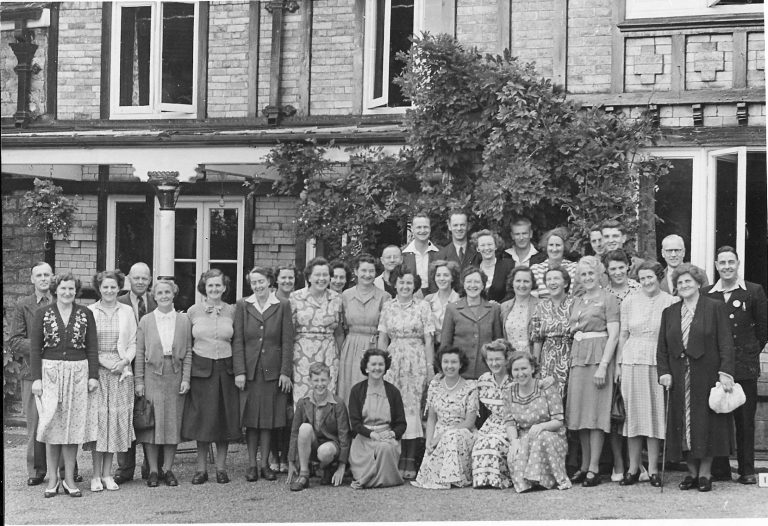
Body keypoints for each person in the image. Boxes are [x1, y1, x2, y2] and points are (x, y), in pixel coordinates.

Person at [657, 263, 735, 492]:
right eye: (680, 282)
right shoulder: (669, 312)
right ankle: (691, 472)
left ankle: (705, 474)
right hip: (679, 376)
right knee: (683, 423)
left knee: (706, 423)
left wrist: (725, 371)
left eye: (688, 281)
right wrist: (664, 372)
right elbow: (662, 348)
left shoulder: (714, 307)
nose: (683, 285)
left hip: (707, 374)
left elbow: (726, 342)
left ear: (698, 283)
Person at [30, 272, 99, 498]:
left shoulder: (85, 313)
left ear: (75, 291)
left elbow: (91, 347)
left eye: (71, 289)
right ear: (55, 290)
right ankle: (52, 479)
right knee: (51, 427)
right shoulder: (43, 313)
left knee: (72, 427)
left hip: (79, 372)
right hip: (50, 374)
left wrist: (93, 376)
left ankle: (69, 479)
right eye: (63, 289)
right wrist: (37, 378)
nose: (67, 292)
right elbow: (35, 348)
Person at [703, 247, 768, 485]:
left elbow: (763, 330)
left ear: (738, 263)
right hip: (715, 366)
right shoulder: (707, 293)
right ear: (716, 265)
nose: (727, 266)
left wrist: (747, 354)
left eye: (731, 261)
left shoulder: (753, 291)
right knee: (718, 416)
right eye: (722, 262)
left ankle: (746, 470)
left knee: (745, 420)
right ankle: (720, 468)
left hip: (744, 367)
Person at [616, 260, 677, 487]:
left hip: (658, 363)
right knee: (633, 416)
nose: (647, 282)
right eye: (642, 278)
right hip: (632, 361)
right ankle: (633, 468)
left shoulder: (671, 302)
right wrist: (618, 365)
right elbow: (623, 335)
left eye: (650, 277)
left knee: (654, 416)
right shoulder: (629, 302)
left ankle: (652, 469)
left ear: (659, 277)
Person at [233, 266, 294, 482]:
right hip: (250, 372)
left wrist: (285, 372)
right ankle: (251, 465)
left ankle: (265, 464)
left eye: (261, 281)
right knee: (251, 419)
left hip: (272, 372)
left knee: (268, 419)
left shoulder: (282, 305)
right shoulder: (243, 305)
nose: (258, 286)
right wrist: (239, 371)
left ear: (269, 282)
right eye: (254, 283)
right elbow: (238, 340)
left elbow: (287, 341)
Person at [566, 256, 620, 488]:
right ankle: (584, 465)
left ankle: (595, 467)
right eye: (583, 274)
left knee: (596, 414)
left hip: (598, 358)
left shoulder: (609, 299)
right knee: (580, 414)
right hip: (578, 357)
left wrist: (604, 365)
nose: (587, 278)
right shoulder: (577, 300)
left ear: (599, 275)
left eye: (591, 273)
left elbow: (614, 335)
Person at [182, 269, 240, 485]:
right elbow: (187, 345)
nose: (214, 289)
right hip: (201, 370)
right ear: (203, 288)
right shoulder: (192, 312)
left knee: (223, 419)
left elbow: (238, 342)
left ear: (224, 288)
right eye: (210, 286)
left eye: (218, 285)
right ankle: (201, 469)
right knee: (203, 420)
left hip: (225, 368)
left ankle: (222, 469)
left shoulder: (233, 311)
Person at [377, 267, 435, 479]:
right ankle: (396, 456)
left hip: (416, 361)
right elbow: (383, 337)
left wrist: (430, 368)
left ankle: (410, 458)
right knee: (396, 408)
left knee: (413, 408)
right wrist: (380, 365)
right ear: (395, 284)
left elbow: (429, 339)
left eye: (409, 283)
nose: (405, 286)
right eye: (401, 282)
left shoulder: (423, 306)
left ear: (415, 285)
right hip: (394, 362)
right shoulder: (388, 306)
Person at [134, 279, 192, 488]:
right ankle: (153, 470)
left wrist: (186, 378)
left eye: (168, 292)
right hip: (152, 375)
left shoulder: (183, 320)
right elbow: (139, 353)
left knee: (171, 424)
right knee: (152, 424)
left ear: (173, 294)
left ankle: (168, 469)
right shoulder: (146, 320)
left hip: (175, 375)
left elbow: (188, 353)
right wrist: (138, 381)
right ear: (154, 296)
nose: (164, 296)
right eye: (160, 293)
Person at [84, 270, 137, 492]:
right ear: (99, 289)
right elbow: (85, 345)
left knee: (114, 424)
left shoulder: (127, 311)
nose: (109, 290)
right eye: (105, 287)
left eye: (113, 287)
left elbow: (134, 342)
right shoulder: (89, 311)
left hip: (120, 375)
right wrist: (104, 363)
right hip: (98, 374)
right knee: (99, 425)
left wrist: (124, 361)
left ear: (119, 288)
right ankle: (95, 475)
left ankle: (107, 474)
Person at [8, 262, 53, 486]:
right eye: (39, 275)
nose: (43, 278)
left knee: (60, 419)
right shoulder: (23, 305)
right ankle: (36, 469)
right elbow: (14, 341)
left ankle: (64, 468)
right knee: (35, 422)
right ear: (32, 279)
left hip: (59, 371)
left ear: (52, 277)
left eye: (47, 274)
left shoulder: (61, 300)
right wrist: (40, 346)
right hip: (31, 372)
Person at [114, 262, 157, 484]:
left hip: (152, 368)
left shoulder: (158, 300)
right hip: (125, 367)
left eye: (145, 278)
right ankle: (125, 467)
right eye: (136, 278)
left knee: (151, 413)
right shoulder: (118, 302)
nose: (140, 282)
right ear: (129, 279)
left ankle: (151, 466)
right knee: (126, 415)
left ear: (150, 280)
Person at [412, 346, 478, 489]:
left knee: (452, 436)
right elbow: (431, 419)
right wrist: (429, 440)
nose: (449, 366)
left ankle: (454, 477)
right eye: (445, 362)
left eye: (454, 362)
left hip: (462, 432)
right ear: (440, 364)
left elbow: (469, 422)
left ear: (461, 364)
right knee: (442, 440)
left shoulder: (471, 387)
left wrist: (442, 435)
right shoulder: (435, 386)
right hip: (438, 430)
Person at [504, 350, 571, 492]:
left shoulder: (546, 387)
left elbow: (558, 421)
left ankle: (547, 479)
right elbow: (509, 422)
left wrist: (541, 426)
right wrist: (514, 441)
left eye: (524, 368)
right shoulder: (509, 392)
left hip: (551, 434)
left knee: (542, 438)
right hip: (524, 436)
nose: (520, 373)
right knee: (516, 451)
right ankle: (529, 481)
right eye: (516, 369)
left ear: (533, 368)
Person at [348, 348, 407, 489]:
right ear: (366, 367)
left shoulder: (393, 392)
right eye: (373, 364)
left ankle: (370, 481)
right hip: (364, 439)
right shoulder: (357, 390)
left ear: (385, 366)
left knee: (384, 448)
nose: (377, 368)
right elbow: (355, 423)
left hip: (386, 438)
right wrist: (370, 434)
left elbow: (401, 423)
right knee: (375, 452)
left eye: (380, 364)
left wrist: (392, 433)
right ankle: (367, 478)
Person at [287, 363, 350, 491]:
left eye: (323, 380)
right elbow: (294, 433)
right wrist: (291, 461)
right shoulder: (303, 402)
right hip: (313, 445)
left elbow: (344, 435)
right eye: (316, 380)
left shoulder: (338, 403)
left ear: (330, 380)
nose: (320, 384)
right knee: (304, 428)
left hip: (331, 447)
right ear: (310, 381)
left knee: (324, 451)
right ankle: (304, 474)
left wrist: (342, 466)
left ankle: (327, 467)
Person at [337, 254, 390, 405]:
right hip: (351, 346)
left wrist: (381, 354)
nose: (367, 275)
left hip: (373, 345)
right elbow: (342, 326)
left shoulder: (384, 297)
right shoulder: (346, 295)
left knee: (371, 386)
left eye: (371, 271)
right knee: (349, 385)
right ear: (356, 271)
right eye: (364, 271)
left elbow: (384, 330)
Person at [290, 257, 344, 402]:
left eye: (325, 275)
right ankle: (303, 425)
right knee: (303, 395)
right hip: (302, 354)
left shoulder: (337, 299)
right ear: (309, 277)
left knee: (327, 394)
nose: (322, 279)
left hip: (329, 353)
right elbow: (289, 331)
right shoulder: (296, 297)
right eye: (317, 275)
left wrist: (341, 356)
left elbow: (339, 332)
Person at [441, 266, 503, 380]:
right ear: (463, 285)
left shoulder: (493, 309)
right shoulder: (452, 309)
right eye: (469, 281)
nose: (472, 285)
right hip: (459, 372)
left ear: (483, 285)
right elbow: (445, 344)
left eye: (477, 282)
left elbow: (498, 344)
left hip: (487, 372)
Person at [471, 339, 515, 489]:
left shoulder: (515, 379)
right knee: (479, 443)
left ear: (506, 359)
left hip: (512, 425)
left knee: (494, 443)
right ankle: (483, 481)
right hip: (491, 424)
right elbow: (474, 404)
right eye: (490, 359)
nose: (494, 363)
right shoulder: (484, 380)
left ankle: (501, 480)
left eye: (498, 359)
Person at [271, 263, 299, 472]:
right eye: (284, 278)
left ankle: (288, 454)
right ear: (277, 280)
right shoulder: (271, 301)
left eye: (291, 278)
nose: (287, 281)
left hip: (298, 360)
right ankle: (274, 454)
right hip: (274, 362)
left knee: (292, 411)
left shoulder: (299, 300)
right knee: (276, 410)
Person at [531, 268, 575, 398]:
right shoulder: (540, 306)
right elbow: (537, 339)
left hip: (570, 356)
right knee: (549, 399)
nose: (552, 282)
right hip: (547, 360)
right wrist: (536, 366)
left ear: (566, 283)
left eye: (556, 278)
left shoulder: (575, 303)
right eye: (549, 279)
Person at [530, 227, 577, 299]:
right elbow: (531, 296)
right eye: (551, 245)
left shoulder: (574, 268)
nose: (554, 249)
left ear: (564, 247)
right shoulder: (535, 269)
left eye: (558, 245)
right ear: (546, 246)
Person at [500, 266, 539, 353]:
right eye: (518, 281)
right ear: (512, 283)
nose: (522, 285)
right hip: (510, 361)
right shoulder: (504, 307)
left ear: (532, 283)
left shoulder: (541, 306)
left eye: (526, 281)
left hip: (531, 360)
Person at [401, 212, 441, 295]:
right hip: (410, 298)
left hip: (436, 299)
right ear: (412, 229)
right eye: (418, 227)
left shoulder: (441, 252)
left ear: (430, 228)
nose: (422, 231)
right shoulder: (402, 254)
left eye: (425, 227)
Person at [423, 260, 461, 347]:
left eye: (446, 275)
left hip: (453, 347)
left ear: (453, 278)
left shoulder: (459, 300)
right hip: (432, 346)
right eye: (438, 275)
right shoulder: (428, 300)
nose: (441, 279)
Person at [472, 229, 515, 302]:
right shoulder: (473, 269)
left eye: (490, 244)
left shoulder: (508, 266)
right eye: (482, 245)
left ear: (496, 246)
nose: (486, 248)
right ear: (478, 248)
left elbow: (511, 293)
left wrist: (497, 306)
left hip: (502, 310)